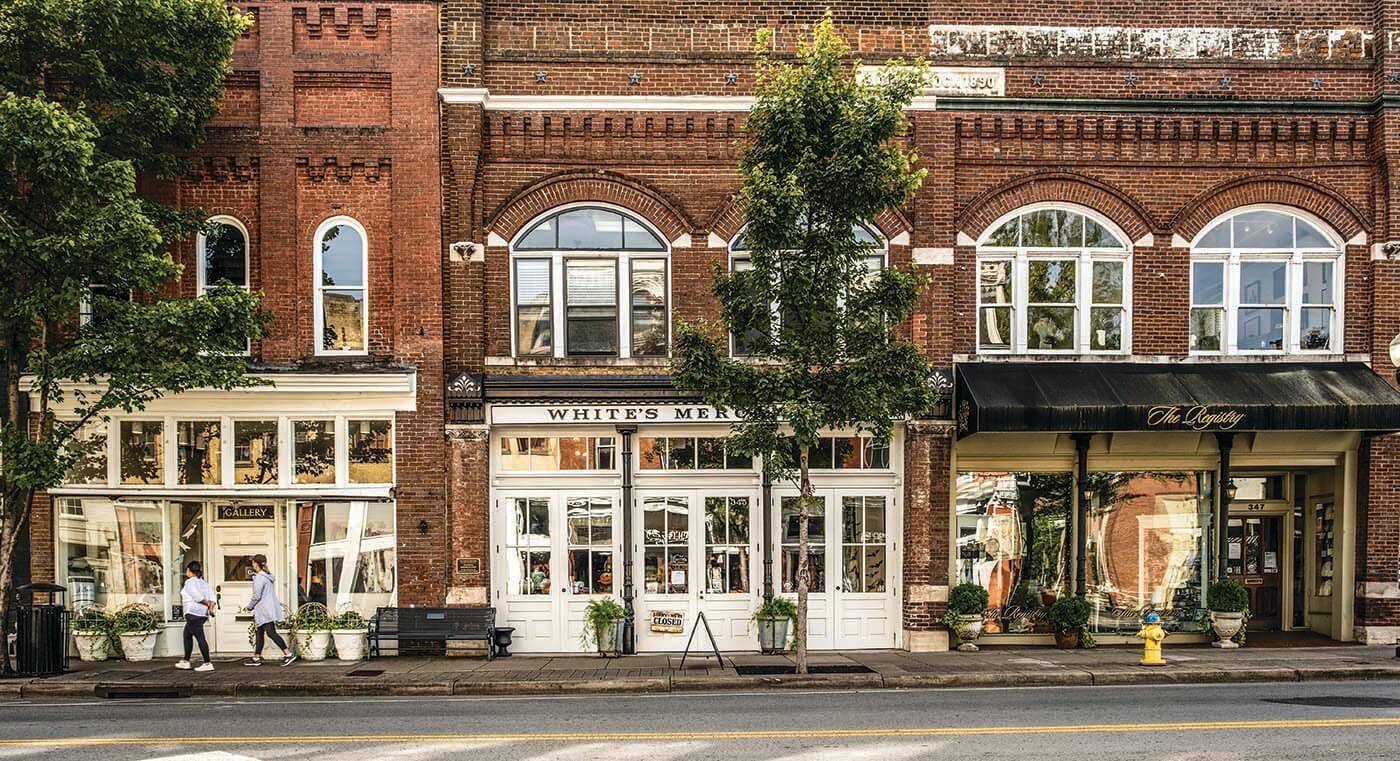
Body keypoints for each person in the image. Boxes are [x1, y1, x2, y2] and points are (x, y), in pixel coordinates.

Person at [243, 554, 296, 667]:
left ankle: (288, 654)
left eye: (253, 563)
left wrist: (249, 607)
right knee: (259, 632)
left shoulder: (260, 578)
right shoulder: (265, 576)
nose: (252, 564)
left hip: (263, 610)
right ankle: (257, 657)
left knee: (271, 632)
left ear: (256, 564)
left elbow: (257, 595)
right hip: (266, 608)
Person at [176, 561, 215, 672]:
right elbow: (213, 597)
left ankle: (207, 663)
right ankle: (186, 661)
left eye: (187, 570)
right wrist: (210, 608)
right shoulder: (204, 583)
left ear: (189, 570)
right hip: (202, 615)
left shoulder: (189, 582)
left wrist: (207, 604)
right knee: (187, 635)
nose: (186, 572)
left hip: (192, 613)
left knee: (200, 637)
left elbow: (197, 597)